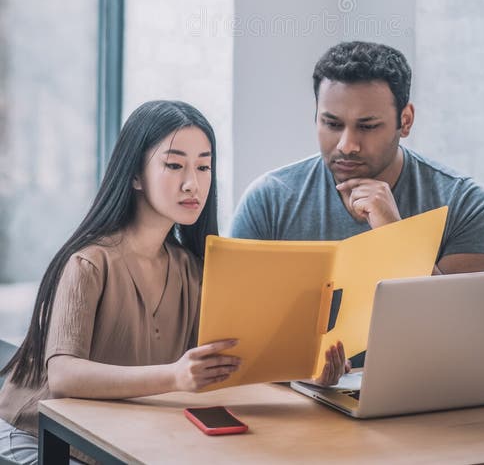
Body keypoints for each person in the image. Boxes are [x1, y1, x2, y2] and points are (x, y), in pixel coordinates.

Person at [0, 100, 347, 465]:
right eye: (174, 164)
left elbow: (228, 363)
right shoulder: (88, 263)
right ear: (135, 175)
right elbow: (64, 375)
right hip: (34, 438)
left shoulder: (190, 269)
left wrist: (307, 376)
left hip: (112, 437)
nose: (192, 183)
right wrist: (175, 376)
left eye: (203, 166)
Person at [230, 42, 484, 275]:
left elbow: (457, 326)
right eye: (332, 124)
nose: (347, 146)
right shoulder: (268, 201)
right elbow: (233, 316)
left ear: (405, 121)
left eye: (367, 126)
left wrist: (394, 237)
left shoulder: (464, 204)